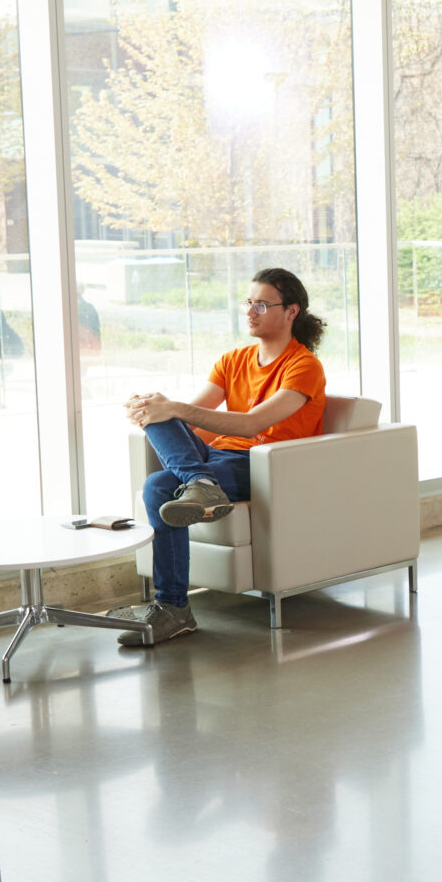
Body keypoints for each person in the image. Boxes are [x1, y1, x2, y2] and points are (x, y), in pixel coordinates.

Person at [108, 268, 327, 648]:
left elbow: (252, 424)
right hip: (215, 458)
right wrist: (153, 410)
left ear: (292, 311)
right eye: (248, 302)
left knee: (159, 484)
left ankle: (173, 605)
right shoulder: (233, 360)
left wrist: (171, 408)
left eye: (261, 304)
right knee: (158, 416)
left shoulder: (303, 366)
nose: (250, 311)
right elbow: (193, 419)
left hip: (261, 465)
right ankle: (202, 486)